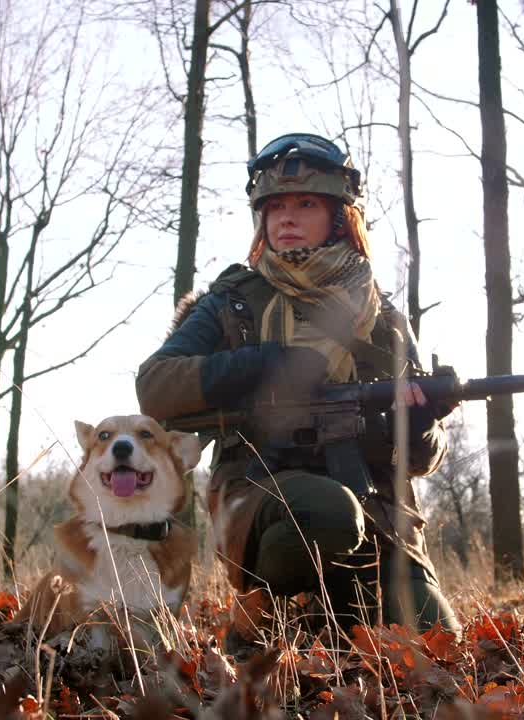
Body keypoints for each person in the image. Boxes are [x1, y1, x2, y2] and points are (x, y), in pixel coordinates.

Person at [135, 133, 461, 642]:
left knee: (437, 639)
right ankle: (261, 621)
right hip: (262, 501)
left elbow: (420, 459)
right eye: (276, 206)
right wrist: (264, 363)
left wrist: (420, 423)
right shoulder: (232, 301)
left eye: (306, 204)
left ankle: (329, 617)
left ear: (338, 216)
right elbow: (156, 386)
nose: (286, 217)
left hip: (378, 515)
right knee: (329, 512)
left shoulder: (382, 317)